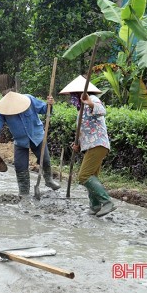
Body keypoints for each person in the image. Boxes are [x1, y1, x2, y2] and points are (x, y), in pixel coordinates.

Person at [60, 75, 117, 217]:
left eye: (74, 96)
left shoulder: (93, 99)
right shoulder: (80, 110)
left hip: (98, 143)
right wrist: (77, 145)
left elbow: (102, 110)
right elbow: (84, 130)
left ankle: (107, 202)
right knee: (91, 176)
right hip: (90, 145)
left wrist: (90, 103)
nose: (72, 99)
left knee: (84, 176)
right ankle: (95, 206)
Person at [0, 91, 60, 196]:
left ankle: (49, 180)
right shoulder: (3, 111)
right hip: (20, 140)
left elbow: (44, 109)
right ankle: (24, 192)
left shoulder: (29, 100)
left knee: (45, 160)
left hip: (36, 135)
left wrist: (49, 105)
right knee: (20, 166)